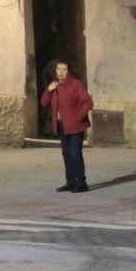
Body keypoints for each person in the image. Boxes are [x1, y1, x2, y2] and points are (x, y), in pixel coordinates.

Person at [40, 61, 94, 193]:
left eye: (64, 69)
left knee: (75, 153)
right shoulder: (55, 86)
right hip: (62, 126)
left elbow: (88, 102)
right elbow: (44, 102)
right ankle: (70, 182)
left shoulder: (75, 84)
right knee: (66, 154)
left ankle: (81, 183)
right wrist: (49, 90)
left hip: (76, 126)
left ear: (68, 71)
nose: (61, 72)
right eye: (58, 69)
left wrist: (78, 117)